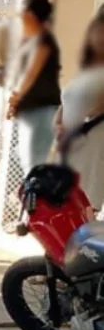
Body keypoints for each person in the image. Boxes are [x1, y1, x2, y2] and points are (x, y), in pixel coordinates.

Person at [7, 0, 61, 173]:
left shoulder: (44, 41)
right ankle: (31, 190)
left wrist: (16, 98)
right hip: (32, 110)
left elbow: (31, 73)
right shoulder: (32, 40)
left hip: (41, 110)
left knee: (34, 162)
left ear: (31, 15)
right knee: (29, 161)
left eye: (24, 13)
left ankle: (35, 191)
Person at [56, 13, 104, 209]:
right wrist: (59, 124)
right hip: (71, 149)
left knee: (83, 208)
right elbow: (66, 102)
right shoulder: (86, 70)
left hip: (94, 147)